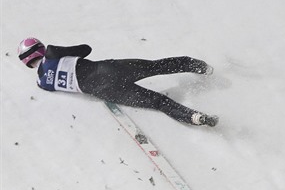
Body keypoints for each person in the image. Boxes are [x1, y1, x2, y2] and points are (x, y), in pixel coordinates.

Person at [17, 37, 219, 126]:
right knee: (155, 67)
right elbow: (85, 49)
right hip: (108, 70)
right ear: (40, 48)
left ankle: (194, 117)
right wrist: (59, 52)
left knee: (157, 102)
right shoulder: (51, 53)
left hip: (106, 91)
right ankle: (199, 66)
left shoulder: (42, 83)